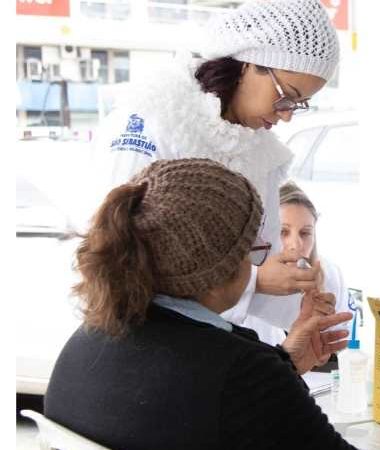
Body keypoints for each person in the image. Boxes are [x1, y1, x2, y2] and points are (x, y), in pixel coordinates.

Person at [45, 158, 357, 449]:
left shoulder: (85, 342)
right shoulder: (243, 373)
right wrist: (276, 374)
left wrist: (285, 362)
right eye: (254, 249)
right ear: (222, 269)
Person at [87, 0, 340, 343]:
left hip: (209, 342)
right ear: (250, 62)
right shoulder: (154, 118)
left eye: (299, 104)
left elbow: (260, 258)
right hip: (140, 339)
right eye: (286, 96)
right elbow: (119, 255)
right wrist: (253, 282)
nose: (287, 115)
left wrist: (302, 305)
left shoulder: (260, 151)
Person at [243, 181, 352, 344]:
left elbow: (338, 338)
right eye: (283, 232)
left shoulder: (331, 275)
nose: (295, 244)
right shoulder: (246, 281)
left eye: (305, 233)